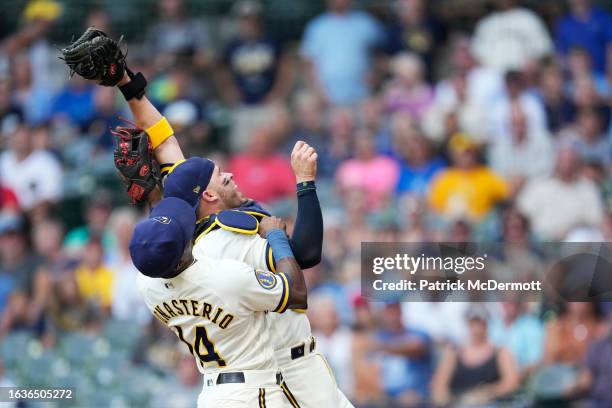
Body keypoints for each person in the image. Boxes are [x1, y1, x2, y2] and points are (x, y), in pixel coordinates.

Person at [131, 196, 307, 407]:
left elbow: (154, 248)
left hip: (211, 395)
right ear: (179, 259)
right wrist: (276, 236)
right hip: (251, 393)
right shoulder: (224, 277)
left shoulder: (146, 285)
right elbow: (296, 292)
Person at [431, 306, 520, 407]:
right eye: (474, 322)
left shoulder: (500, 352)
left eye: (480, 322)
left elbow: (511, 382)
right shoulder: (454, 353)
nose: (477, 327)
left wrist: (487, 393)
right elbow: (439, 385)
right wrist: (446, 398)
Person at [300, 0, 385, 106]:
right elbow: (309, 64)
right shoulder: (317, 27)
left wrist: (376, 77)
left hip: (362, 96)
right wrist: (318, 93)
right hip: (327, 98)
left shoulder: (366, 23)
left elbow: (380, 55)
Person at [517, 145, 604, 240]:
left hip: (574, 241)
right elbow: (522, 213)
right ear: (556, 162)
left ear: (578, 164)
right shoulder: (538, 185)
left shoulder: (588, 188)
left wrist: (574, 229)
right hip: (539, 241)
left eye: (571, 161)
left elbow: (595, 220)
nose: (567, 166)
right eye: (563, 161)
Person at [428, 133, 509, 221]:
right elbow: (433, 207)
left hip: (479, 227)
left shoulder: (487, 175)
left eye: (468, 152)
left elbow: (507, 193)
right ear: (453, 155)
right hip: (450, 226)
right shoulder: (443, 178)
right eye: (461, 153)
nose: (465, 157)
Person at [373, 303, 433, 407]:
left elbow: (418, 345)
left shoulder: (416, 333)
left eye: (396, 311)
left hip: (415, 396)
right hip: (387, 398)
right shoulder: (380, 335)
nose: (393, 317)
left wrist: (385, 347)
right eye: (389, 312)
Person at [555, 0, 612, 75]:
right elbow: (560, 55)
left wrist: (610, 74)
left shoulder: (604, 19)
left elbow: (610, 48)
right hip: (574, 80)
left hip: (601, 77)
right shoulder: (563, 24)